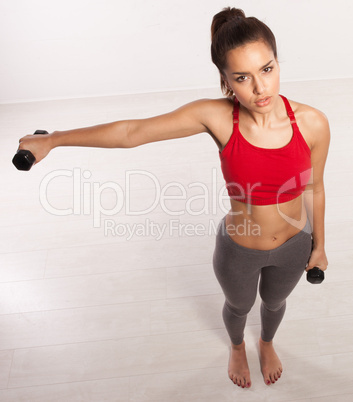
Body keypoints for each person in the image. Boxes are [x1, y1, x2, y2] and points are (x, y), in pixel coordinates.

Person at [17, 7, 330, 389]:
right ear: (226, 81)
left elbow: (315, 186)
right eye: (243, 78)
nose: (260, 88)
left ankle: (265, 342)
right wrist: (54, 139)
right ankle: (236, 346)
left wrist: (320, 245)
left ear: (278, 62)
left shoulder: (313, 122)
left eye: (267, 69)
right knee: (238, 306)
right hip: (240, 249)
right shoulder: (216, 118)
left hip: (295, 246)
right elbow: (132, 132)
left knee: (275, 304)